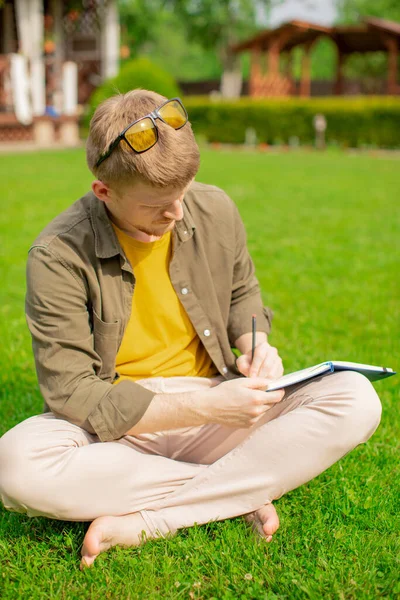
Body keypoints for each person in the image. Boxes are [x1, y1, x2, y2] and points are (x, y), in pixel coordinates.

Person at [0, 89, 382, 571]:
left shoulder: (215, 208)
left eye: (182, 194)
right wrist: (208, 405)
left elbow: (244, 293)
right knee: (13, 464)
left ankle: (151, 517)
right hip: (118, 428)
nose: (177, 213)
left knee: (356, 396)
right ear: (104, 192)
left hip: (218, 410)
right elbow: (72, 392)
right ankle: (238, 491)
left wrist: (255, 343)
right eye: (157, 204)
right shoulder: (56, 255)